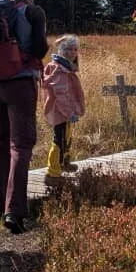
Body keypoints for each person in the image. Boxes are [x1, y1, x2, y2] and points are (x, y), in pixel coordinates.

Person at [0, 0, 48, 233]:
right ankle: (14, 211)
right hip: (20, 81)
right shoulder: (32, 11)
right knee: (20, 145)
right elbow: (40, 48)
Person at [41, 35, 85, 177]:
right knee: (59, 140)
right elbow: (60, 95)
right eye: (68, 49)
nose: (72, 53)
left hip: (62, 111)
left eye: (75, 49)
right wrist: (69, 113)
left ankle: (64, 162)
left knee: (66, 136)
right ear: (62, 50)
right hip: (60, 111)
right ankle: (53, 173)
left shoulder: (64, 67)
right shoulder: (59, 69)